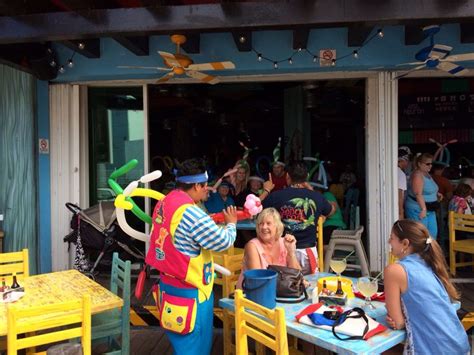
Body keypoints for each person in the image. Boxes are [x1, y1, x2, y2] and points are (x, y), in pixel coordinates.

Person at [145, 158, 237, 355]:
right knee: (196, 346)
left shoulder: (164, 202)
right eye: (204, 185)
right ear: (196, 185)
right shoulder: (191, 213)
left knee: (181, 342)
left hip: (167, 286)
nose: (208, 189)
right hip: (191, 291)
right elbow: (222, 241)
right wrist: (231, 224)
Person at [384, 219, 470, 355]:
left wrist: (397, 318)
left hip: (434, 350)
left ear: (405, 243)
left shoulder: (395, 270)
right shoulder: (430, 264)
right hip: (459, 346)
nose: (389, 242)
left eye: (392, 238)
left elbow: (398, 322)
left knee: (378, 349)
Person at [263, 161, 335, 275]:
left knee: (285, 285)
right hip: (308, 254)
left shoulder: (276, 196)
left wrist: (266, 190)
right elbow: (331, 211)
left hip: (283, 252)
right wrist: (311, 190)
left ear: (287, 177)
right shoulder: (317, 197)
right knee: (310, 286)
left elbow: (256, 209)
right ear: (306, 177)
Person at [237, 207, 300, 288]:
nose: (264, 227)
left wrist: (291, 252)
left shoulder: (284, 243)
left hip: (279, 292)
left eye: (268, 223)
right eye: (261, 223)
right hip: (252, 294)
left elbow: (297, 276)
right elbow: (257, 280)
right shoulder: (252, 246)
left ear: (277, 226)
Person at [405, 153, 441, 239]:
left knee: (432, 234)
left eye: (431, 163)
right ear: (419, 164)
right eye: (427, 164)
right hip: (418, 209)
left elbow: (428, 189)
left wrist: (436, 194)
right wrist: (423, 209)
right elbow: (418, 193)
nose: (430, 166)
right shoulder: (418, 174)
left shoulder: (426, 174)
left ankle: (429, 252)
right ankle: (421, 252)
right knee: (421, 236)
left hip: (430, 209)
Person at [397, 146, 411, 219]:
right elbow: (400, 194)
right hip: (397, 207)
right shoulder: (401, 174)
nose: (408, 163)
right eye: (407, 160)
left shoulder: (392, 170)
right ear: (402, 160)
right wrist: (401, 212)